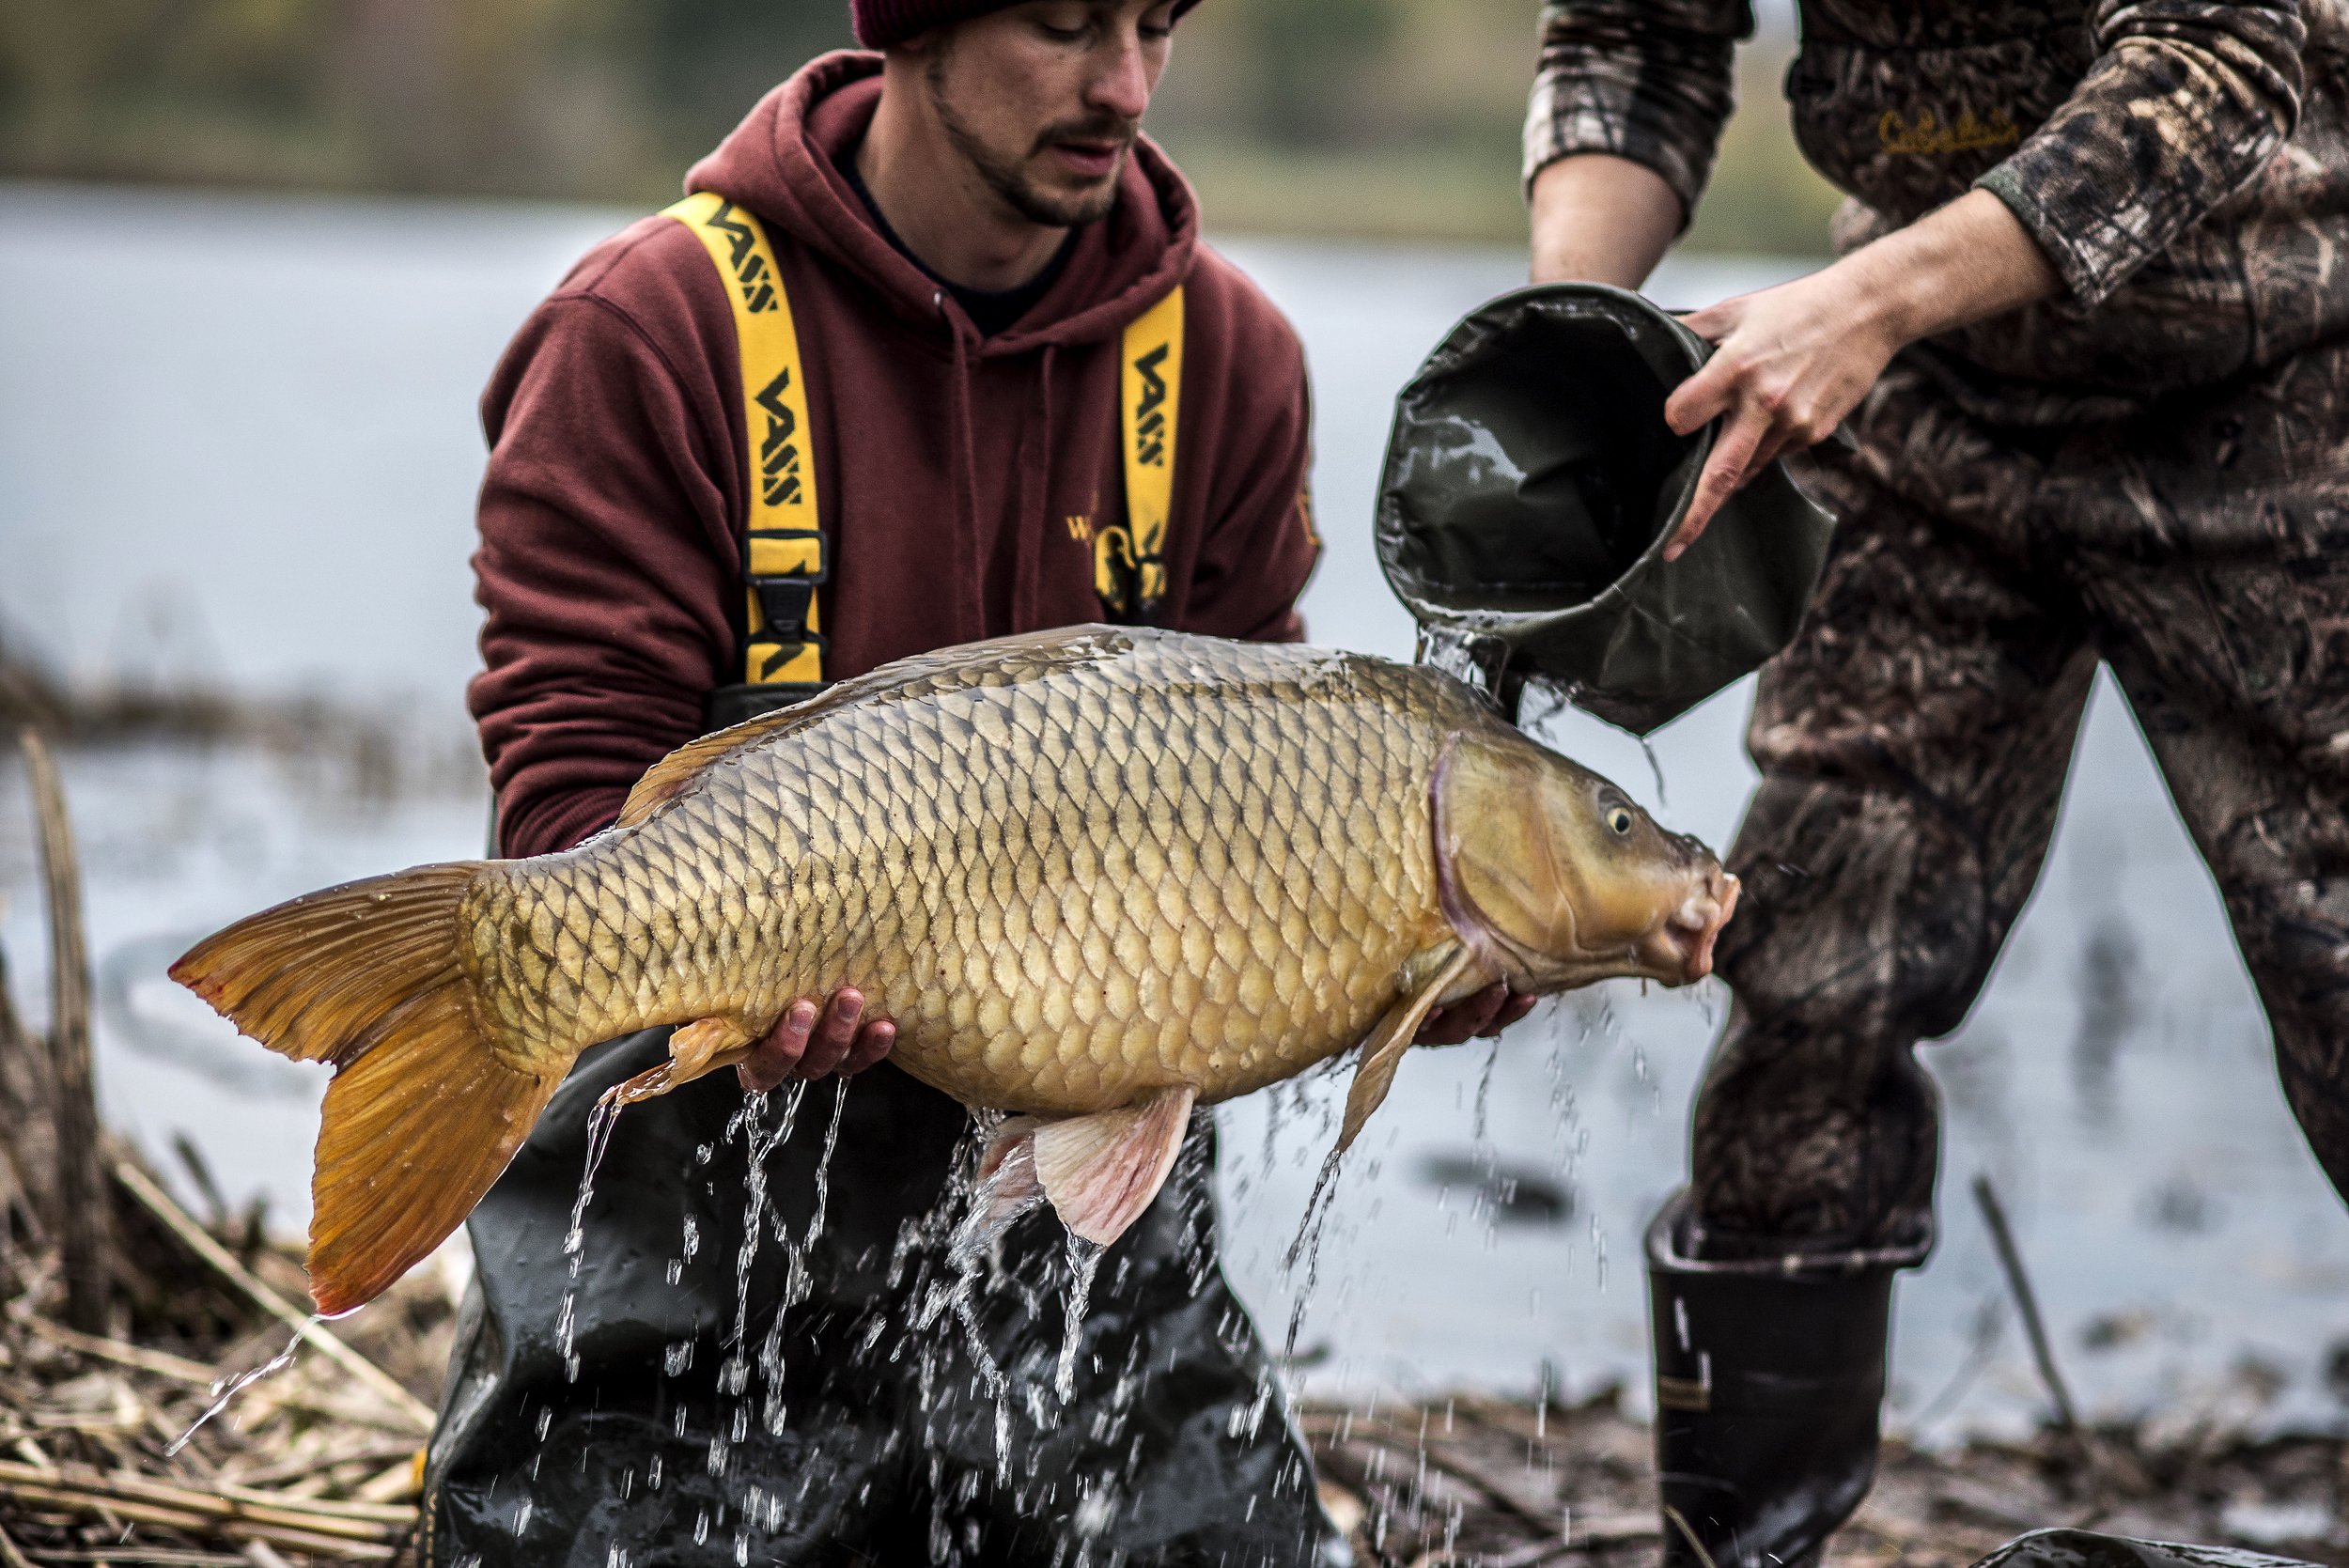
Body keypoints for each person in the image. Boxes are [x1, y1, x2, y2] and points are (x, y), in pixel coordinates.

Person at [418, 2, 1517, 1560]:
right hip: (694, 1226)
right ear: (915, 24)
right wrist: (728, 990)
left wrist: (1398, 963)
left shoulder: (1228, 360)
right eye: (1067, 23)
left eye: (1156, 23)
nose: (1125, 86)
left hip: (1075, 1247)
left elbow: (1277, 807)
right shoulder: (650, 329)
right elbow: (569, 787)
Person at [1520, 2, 2349, 1565]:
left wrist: (1864, 302)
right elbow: (1636, 35)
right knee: (1808, 985)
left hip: (2279, 385)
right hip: (1932, 413)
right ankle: (1743, 1544)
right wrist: (1569, 333)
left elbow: (2220, 67)